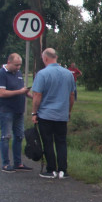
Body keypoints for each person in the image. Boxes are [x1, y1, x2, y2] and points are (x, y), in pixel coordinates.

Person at [30, 47, 76, 179]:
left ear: (45, 58)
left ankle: (51, 169)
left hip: (46, 114)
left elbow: (37, 95)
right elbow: (71, 95)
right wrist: (68, 111)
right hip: (62, 114)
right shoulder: (68, 74)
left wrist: (34, 113)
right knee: (61, 142)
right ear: (56, 57)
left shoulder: (42, 74)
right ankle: (63, 170)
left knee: (48, 142)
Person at [0, 53, 32, 172]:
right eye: (16, 65)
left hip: (18, 109)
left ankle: (18, 162)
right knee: (6, 136)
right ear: (9, 62)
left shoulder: (19, 73)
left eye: (20, 65)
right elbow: (1, 93)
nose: (18, 67)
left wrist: (33, 97)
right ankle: (6, 163)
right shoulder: (1, 74)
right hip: (6, 110)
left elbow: (22, 90)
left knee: (19, 136)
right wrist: (19, 92)